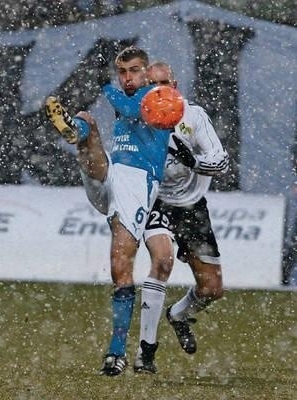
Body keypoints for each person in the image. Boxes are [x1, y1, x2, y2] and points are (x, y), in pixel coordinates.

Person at [45, 47, 171, 376]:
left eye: (133, 71)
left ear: (147, 71)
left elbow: (129, 109)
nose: (127, 78)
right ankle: (76, 132)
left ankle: (116, 353)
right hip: (112, 172)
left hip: (138, 182)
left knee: (120, 266)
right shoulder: (134, 92)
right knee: (86, 120)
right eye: (122, 72)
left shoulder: (158, 96)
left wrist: (103, 85)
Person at [133, 62, 229, 373]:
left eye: (165, 83)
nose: (160, 90)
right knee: (162, 262)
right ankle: (146, 351)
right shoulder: (136, 119)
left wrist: (195, 161)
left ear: (176, 84)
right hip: (157, 201)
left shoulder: (194, 116)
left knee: (212, 289)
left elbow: (221, 161)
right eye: (152, 84)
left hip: (191, 206)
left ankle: (178, 314)